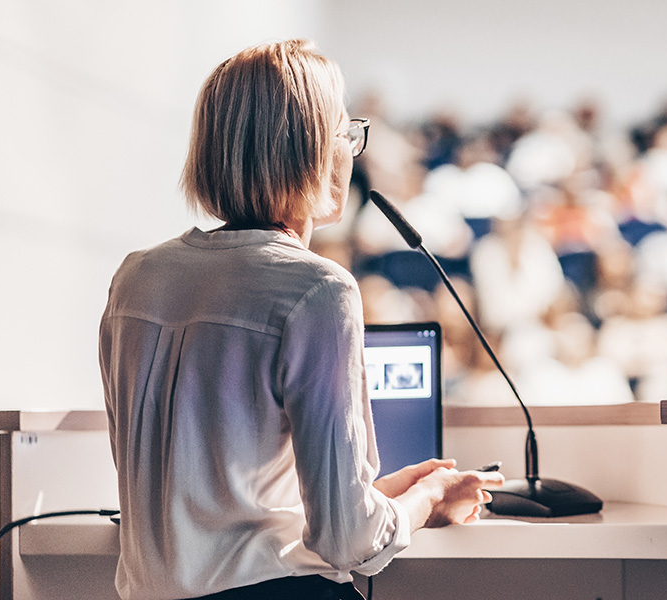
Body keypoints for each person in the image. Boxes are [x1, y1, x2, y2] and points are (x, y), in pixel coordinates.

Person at [98, 40, 503, 600]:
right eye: (345, 132)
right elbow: (348, 542)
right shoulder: (316, 289)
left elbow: (225, 508)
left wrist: (379, 496)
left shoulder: (135, 278)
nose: (352, 151)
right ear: (308, 149)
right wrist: (428, 499)